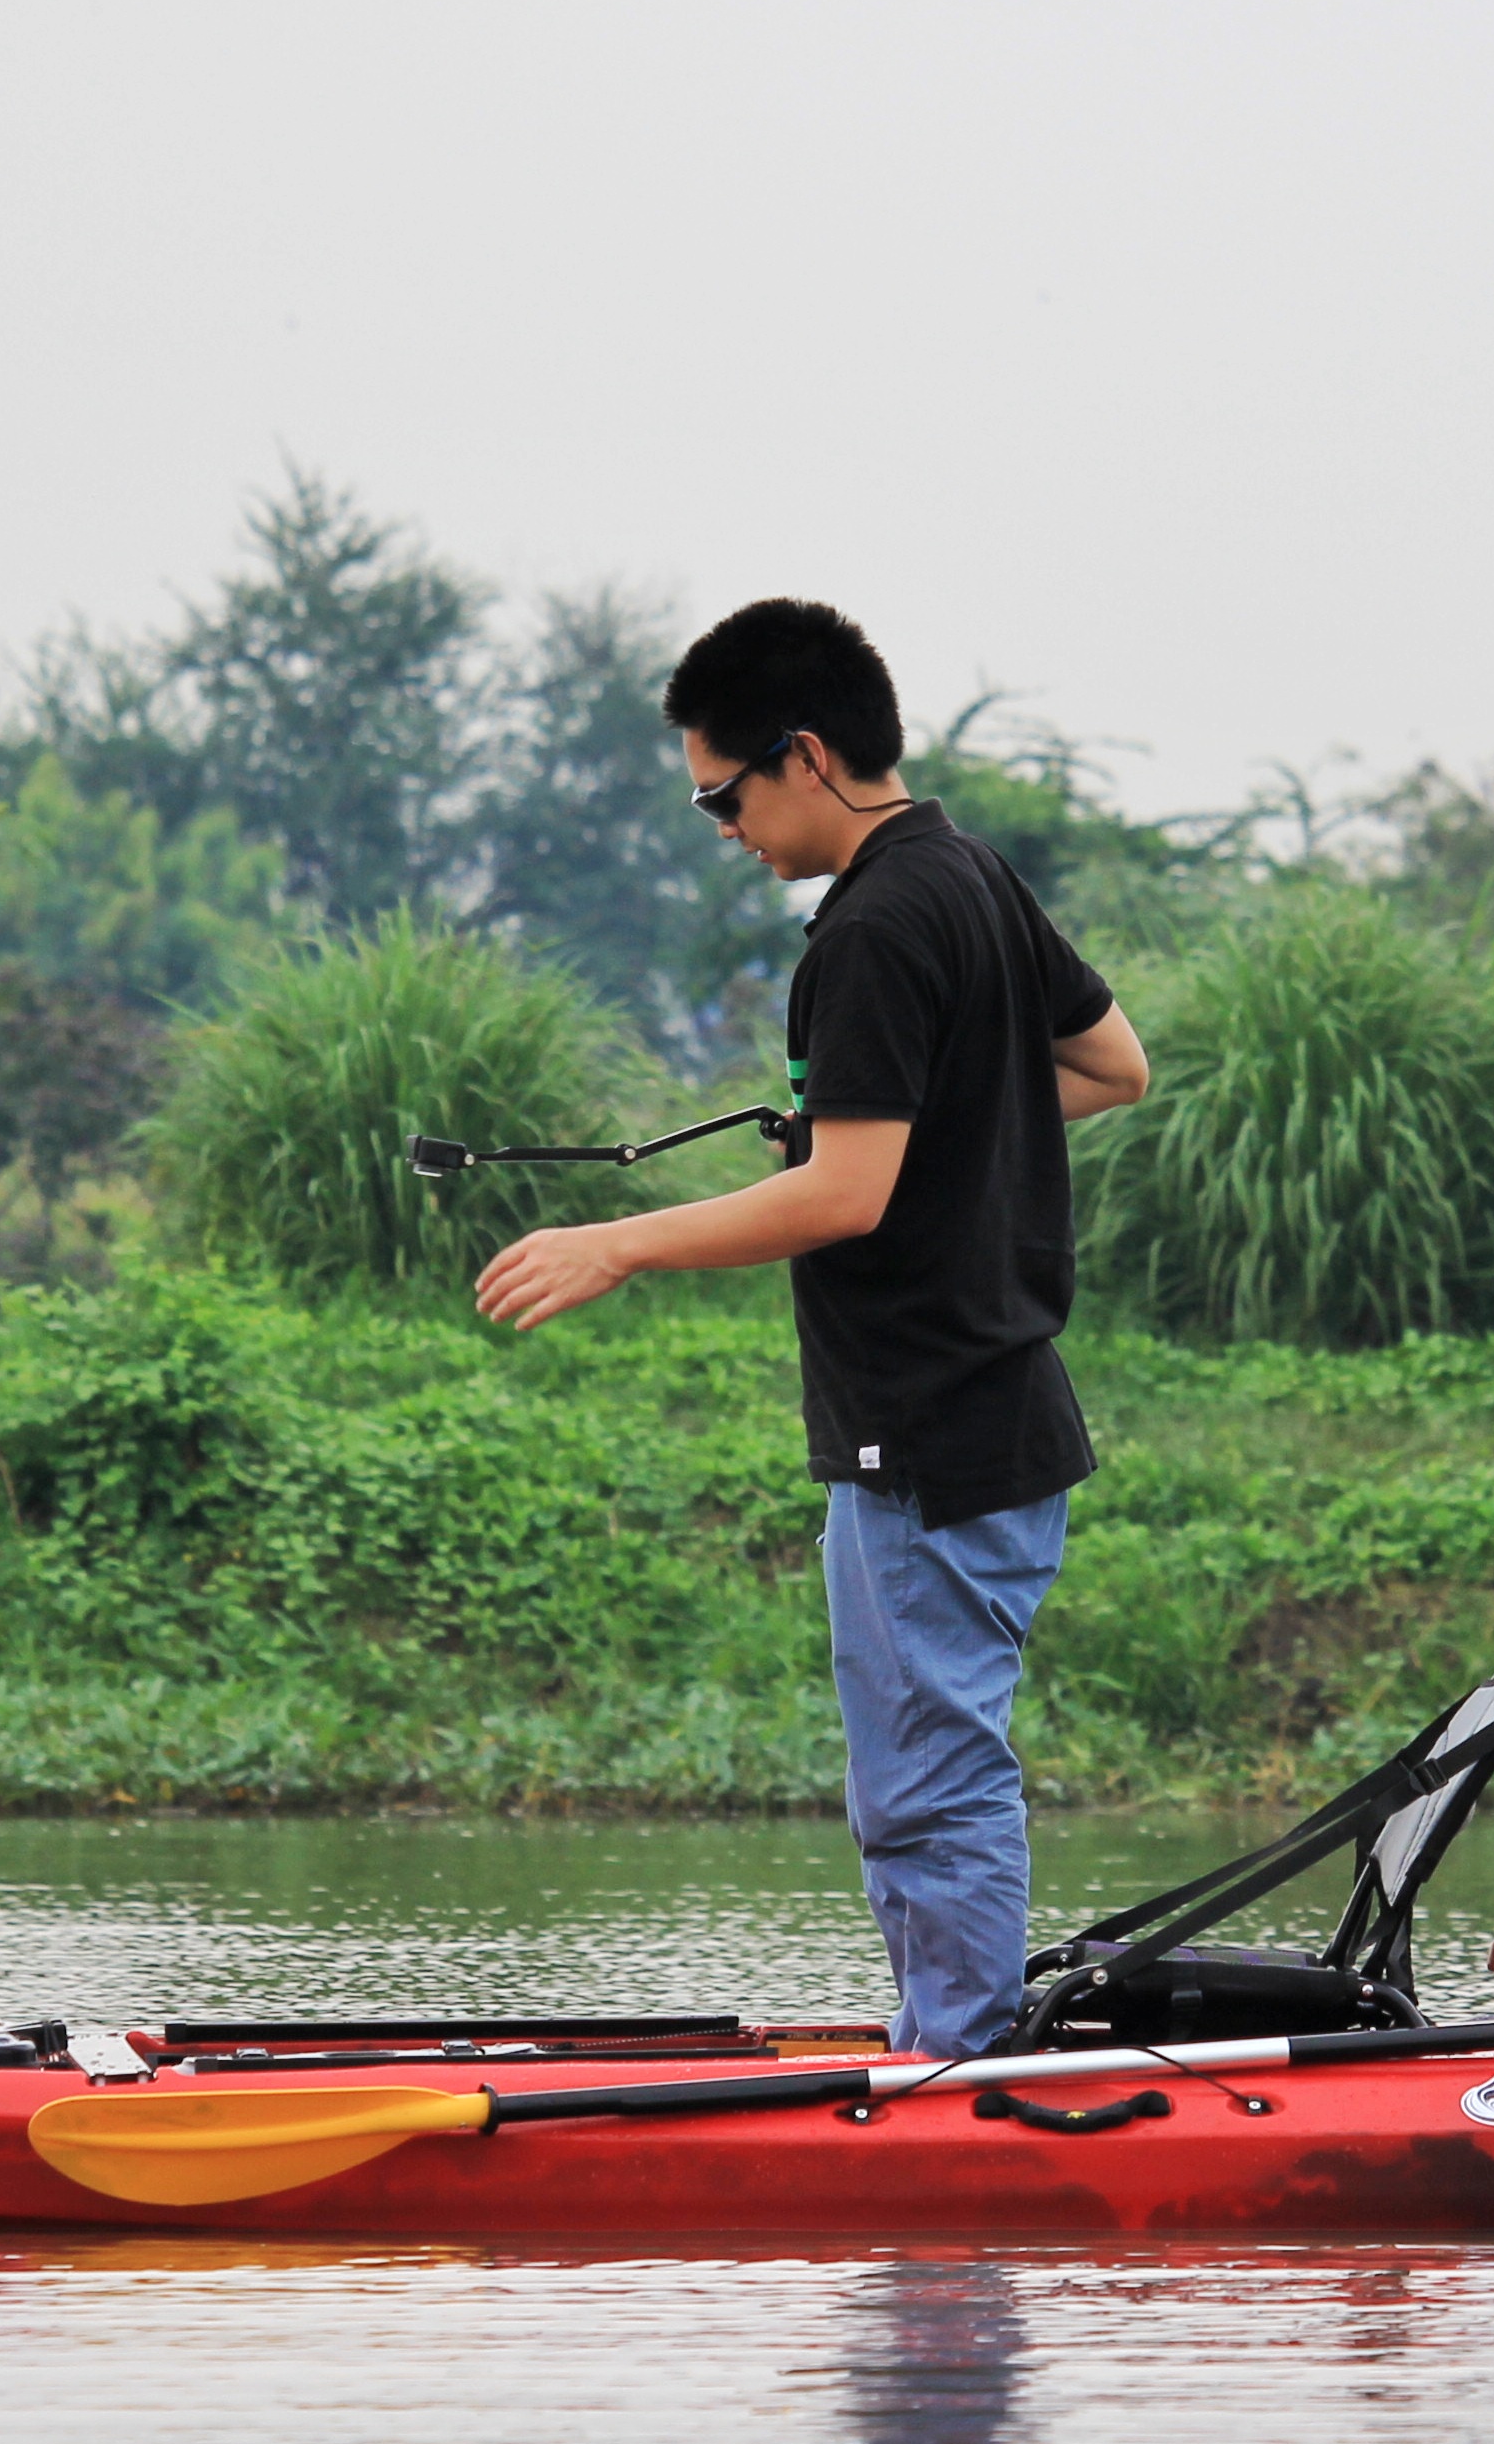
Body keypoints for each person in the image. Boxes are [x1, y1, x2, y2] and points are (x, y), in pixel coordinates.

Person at [473, 598, 1146, 2063]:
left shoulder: (872, 928)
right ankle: (949, 2041)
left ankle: (956, 2072)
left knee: (926, 1781)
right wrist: (944, 1127)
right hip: (995, 1418)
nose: (721, 827)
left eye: (724, 795)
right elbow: (1109, 1063)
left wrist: (616, 1245)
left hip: (933, 1431)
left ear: (810, 755)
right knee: (926, 1765)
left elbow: (842, 1195)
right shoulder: (968, 875)